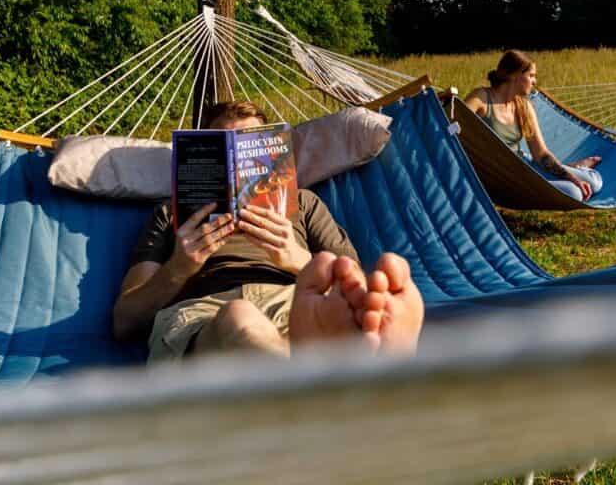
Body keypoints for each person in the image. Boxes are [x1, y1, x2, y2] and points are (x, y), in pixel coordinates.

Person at [113, 100, 423, 360]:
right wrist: (179, 268)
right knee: (239, 319)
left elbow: (353, 281)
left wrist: (296, 258)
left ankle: (330, 356)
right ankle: (345, 366)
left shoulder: (303, 203)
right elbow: (125, 320)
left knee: (337, 307)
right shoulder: (170, 214)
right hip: (203, 312)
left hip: (295, 300)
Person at [464, 50, 603, 202]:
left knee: (594, 183)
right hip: (502, 177)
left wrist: (573, 178)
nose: (534, 81)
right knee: (574, 193)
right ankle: (570, 169)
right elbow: (451, 120)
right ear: (515, 75)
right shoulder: (481, 98)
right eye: (531, 75)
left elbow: (541, 154)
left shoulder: (524, 106)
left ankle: (576, 167)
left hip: (527, 165)